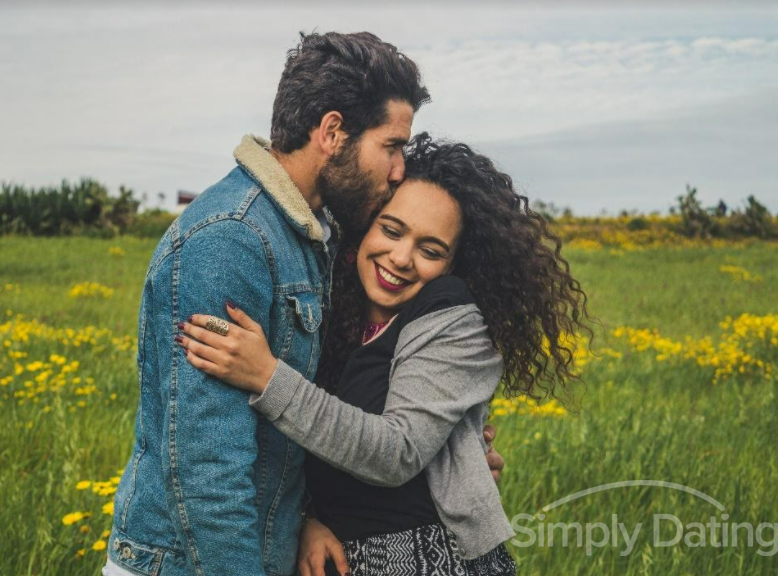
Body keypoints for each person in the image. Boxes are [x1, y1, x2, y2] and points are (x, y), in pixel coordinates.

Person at [103, 33, 503, 576]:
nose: (399, 169)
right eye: (391, 145)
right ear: (333, 133)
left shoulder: (317, 235)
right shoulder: (231, 240)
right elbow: (206, 470)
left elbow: (296, 432)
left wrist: (309, 517)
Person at [176, 134, 592, 575]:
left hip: (431, 559)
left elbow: (395, 452)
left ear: (452, 265)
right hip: (334, 557)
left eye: (430, 251)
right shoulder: (328, 311)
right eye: (391, 230)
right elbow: (303, 446)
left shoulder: (453, 315)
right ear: (364, 228)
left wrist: (265, 376)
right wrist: (307, 519)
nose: (401, 257)